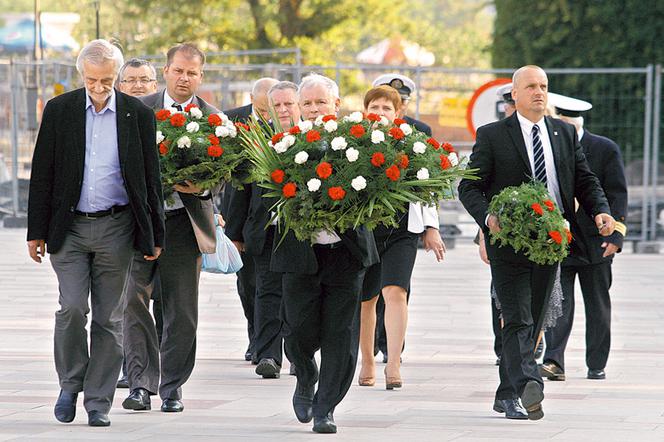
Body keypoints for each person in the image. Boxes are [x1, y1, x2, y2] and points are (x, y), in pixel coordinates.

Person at [458, 65, 615, 421]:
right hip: (509, 242)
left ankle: (505, 392)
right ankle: (528, 385)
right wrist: (488, 219)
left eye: (543, 86)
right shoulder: (493, 135)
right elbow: (469, 186)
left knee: (536, 318)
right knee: (516, 316)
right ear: (514, 94)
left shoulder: (563, 132)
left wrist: (601, 212)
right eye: (530, 86)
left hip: (553, 240)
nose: (539, 92)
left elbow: (585, 181)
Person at [26, 39, 164, 427]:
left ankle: (98, 400)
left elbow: (150, 179)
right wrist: (35, 231)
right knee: (72, 308)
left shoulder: (137, 114)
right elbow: (43, 173)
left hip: (117, 227)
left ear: (117, 76)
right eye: (92, 80)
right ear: (81, 75)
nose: (99, 88)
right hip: (68, 228)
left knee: (110, 317)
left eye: (107, 80)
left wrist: (154, 234)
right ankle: (71, 384)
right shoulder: (60, 110)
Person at [273, 73, 378, 434]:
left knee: (341, 334)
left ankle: (325, 407)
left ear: (336, 105)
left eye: (321, 102)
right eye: (308, 104)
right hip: (300, 256)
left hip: (346, 255)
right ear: (299, 109)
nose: (315, 109)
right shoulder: (283, 147)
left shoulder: (358, 144)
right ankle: (305, 375)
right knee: (298, 330)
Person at [121, 43, 219, 414]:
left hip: (184, 223)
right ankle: (140, 384)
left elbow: (221, 175)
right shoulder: (138, 110)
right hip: (139, 222)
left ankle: (172, 386)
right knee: (133, 299)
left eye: (192, 72)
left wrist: (205, 186)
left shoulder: (213, 119)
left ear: (200, 76)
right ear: (165, 71)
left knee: (181, 309)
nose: (184, 78)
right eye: (178, 70)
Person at [357, 86, 445, 390]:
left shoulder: (412, 145)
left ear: (398, 114)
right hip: (365, 230)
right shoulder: (352, 143)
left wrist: (431, 229)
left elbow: (427, 189)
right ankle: (367, 359)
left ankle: (393, 362)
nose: (379, 113)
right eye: (375, 107)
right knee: (366, 299)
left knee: (396, 292)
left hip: (402, 229)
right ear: (365, 110)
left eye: (386, 108)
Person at [540, 93, 628, 381]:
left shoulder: (604, 148)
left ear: (574, 124)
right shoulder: (549, 144)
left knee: (598, 305)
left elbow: (616, 194)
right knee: (559, 303)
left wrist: (616, 236)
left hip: (596, 241)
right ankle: (554, 361)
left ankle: (597, 363)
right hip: (562, 240)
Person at [225, 81, 301, 379]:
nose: (282, 110)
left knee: (297, 294)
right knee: (266, 292)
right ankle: (269, 355)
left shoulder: (313, 137)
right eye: (277, 105)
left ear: (298, 105)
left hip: (300, 230)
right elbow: (239, 190)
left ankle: (297, 354)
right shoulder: (256, 139)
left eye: (288, 104)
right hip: (265, 229)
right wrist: (236, 233)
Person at [222, 77, 279, 363]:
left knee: (270, 286)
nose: (273, 106)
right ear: (253, 97)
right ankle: (255, 334)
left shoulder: (290, 124)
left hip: (275, 220)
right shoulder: (232, 121)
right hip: (242, 213)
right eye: (268, 100)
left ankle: (269, 348)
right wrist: (232, 230)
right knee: (248, 284)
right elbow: (234, 181)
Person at [115, 57, 160, 390]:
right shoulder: (110, 122)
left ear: (155, 85)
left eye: (144, 79)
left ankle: (167, 378)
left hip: (177, 224)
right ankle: (137, 376)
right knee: (132, 301)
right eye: (130, 80)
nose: (137, 85)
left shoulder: (182, 120)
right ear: (120, 85)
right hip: (128, 227)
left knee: (175, 310)